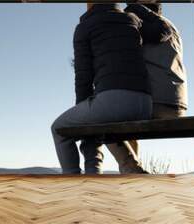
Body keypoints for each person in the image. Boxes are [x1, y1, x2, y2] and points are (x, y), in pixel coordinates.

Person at [51, 3, 152, 174]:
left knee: (59, 130)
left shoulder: (84, 27)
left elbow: (83, 79)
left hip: (114, 102)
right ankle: (93, 176)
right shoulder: (132, 20)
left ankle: (73, 183)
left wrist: (82, 118)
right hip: (145, 102)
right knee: (94, 122)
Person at [107, 3, 188, 173]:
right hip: (179, 106)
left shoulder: (139, 28)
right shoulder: (171, 26)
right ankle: (130, 172)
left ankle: (130, 168)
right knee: (127, 124)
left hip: (155, 104)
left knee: (102, 118)